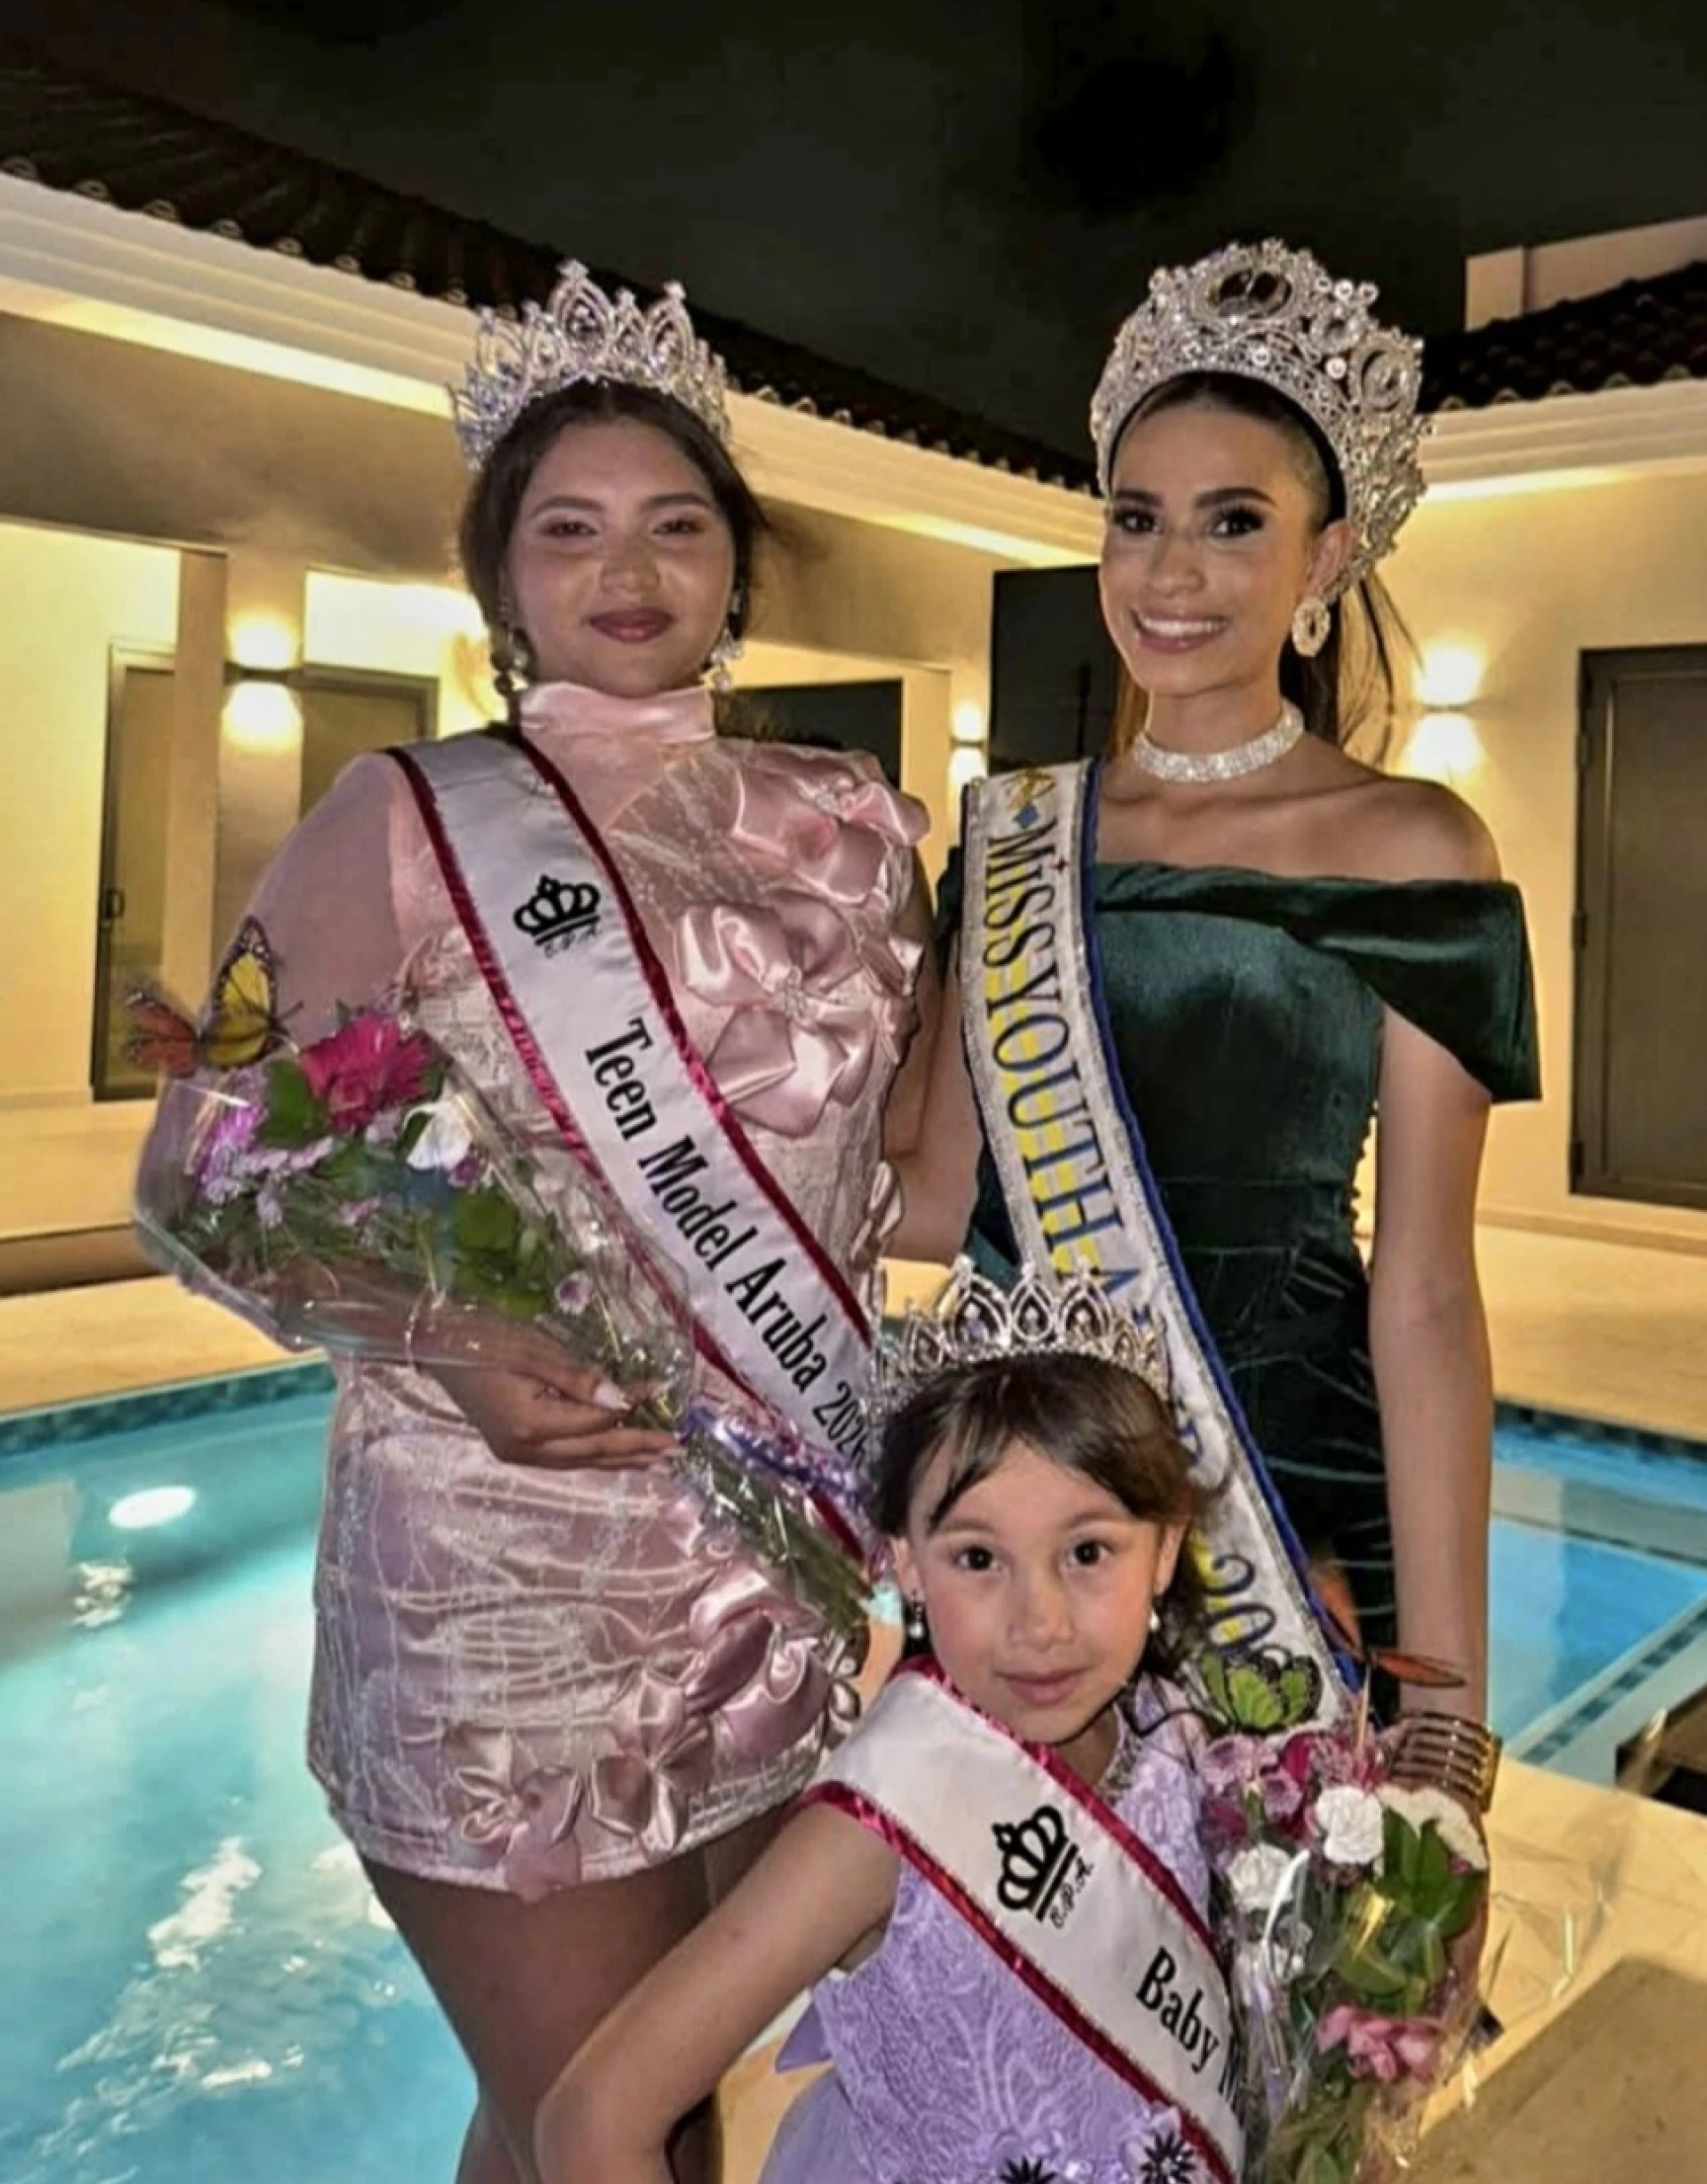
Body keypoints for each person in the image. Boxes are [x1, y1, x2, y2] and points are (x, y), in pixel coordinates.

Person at [135, 263, 933, 2184]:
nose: (627, 569)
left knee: (607, 2119)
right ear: (500, 575)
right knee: (614, 2124)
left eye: (676, 524)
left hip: (771, 1566)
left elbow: (907, 1185)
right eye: (568, 529)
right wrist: (453, 1334)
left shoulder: (857, 827)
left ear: (738, 565)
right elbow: (202, 1163)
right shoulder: (400, 817)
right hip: (495, 1577)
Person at [896, 242, 1537, 1831]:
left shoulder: (1412, 847)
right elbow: (933, 1197)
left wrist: (1447, 1701)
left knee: (1296, 1950)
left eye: (1233, 521)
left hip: (1290, 1503)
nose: (1169, 573)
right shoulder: (1013, 833)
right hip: (1029, 1504)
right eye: (1137, 517)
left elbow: (1427, 1288)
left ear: (1327, 556)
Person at [535, 1261, 1239, 2184]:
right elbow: (593, 2119)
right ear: (906, 1563)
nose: (1040, 1621)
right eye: (978, 1557)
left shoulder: (1171, 1734)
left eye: (1087, 1551)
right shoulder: (877, 1826)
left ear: (1166, 1549)